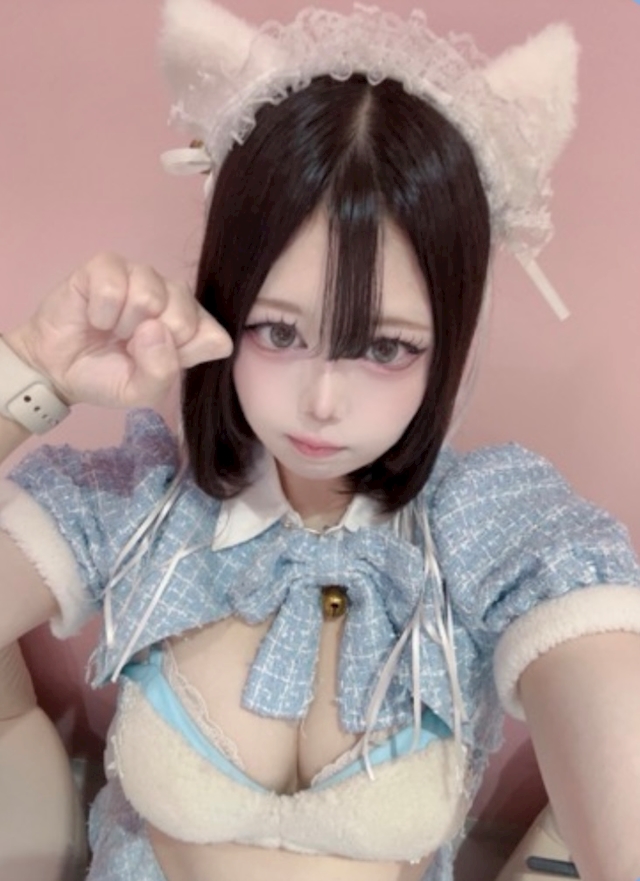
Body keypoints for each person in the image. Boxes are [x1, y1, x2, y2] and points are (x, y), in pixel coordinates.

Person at [1, 2, 640, 881]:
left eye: (385, 346)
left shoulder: (490, 531)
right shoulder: (141, 505)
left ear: (448, 343)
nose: (324, 401)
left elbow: (602, 675)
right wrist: (30, 370)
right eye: (279, 330)